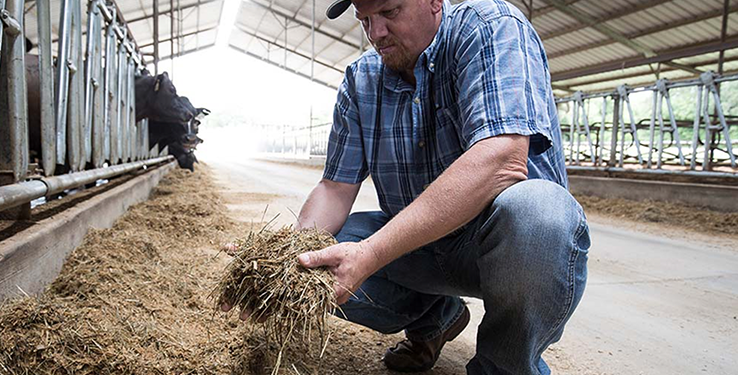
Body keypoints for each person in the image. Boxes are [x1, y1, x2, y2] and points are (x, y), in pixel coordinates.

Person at [223, 0, 590, 373]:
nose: (375, 33)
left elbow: (503, 160)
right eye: (365, 19)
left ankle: (506, 366)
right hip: (420, 248)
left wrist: (369, 254)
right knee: (317, 260)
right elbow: (335, 187)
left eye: (390, 12)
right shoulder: (361, 79)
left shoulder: (489, 26)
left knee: (539, 211)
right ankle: (436, 320)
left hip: (499, 244)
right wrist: (286, 256)